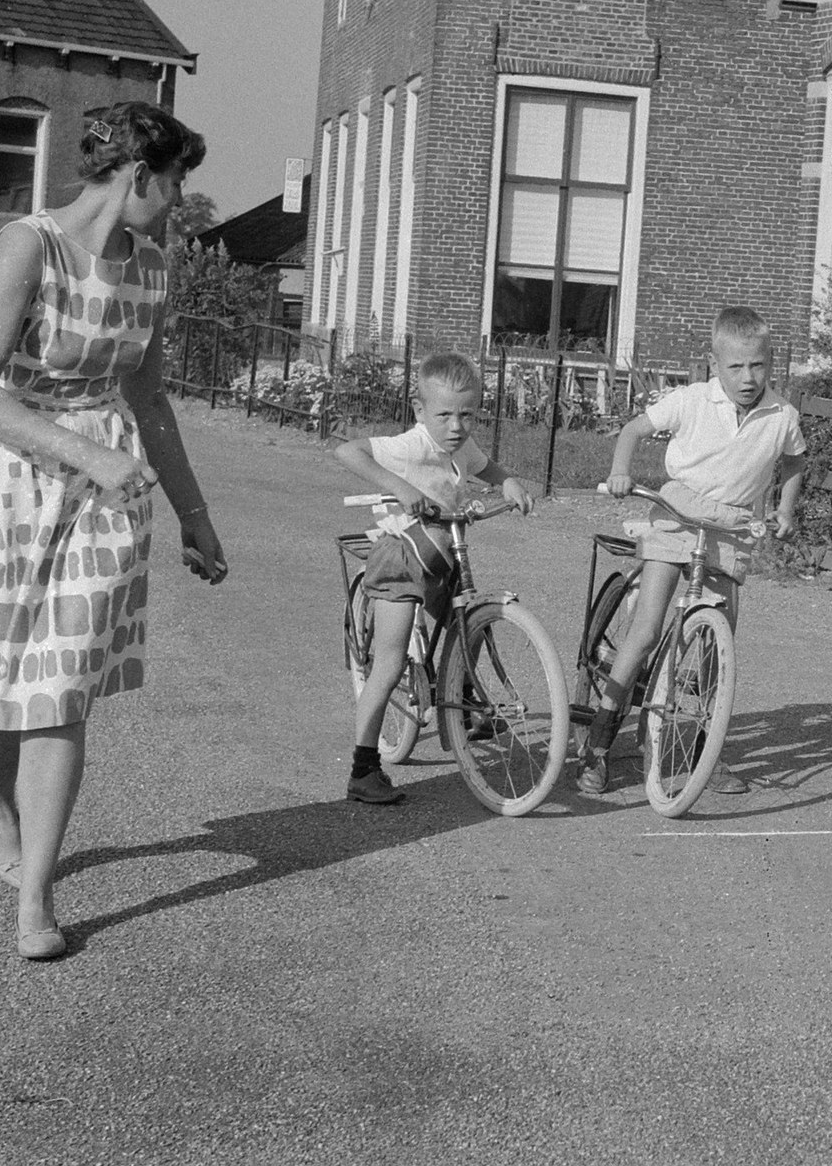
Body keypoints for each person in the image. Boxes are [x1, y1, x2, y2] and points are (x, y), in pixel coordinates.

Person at [0, 101, 228, 963]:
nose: (182, 201)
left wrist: (194, 515)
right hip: (0, 476)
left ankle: (35, 895)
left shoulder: (151, 266)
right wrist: (82, 450)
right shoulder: (27, 246)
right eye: (178, 181)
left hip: (101, 497)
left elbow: (148, 397)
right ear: (140, 175)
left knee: (61, 686)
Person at [576, 306, 806, 796]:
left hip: (734, 522)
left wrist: (785, 508)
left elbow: (795, 460)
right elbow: (634, 430)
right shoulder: (691, 400)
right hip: (677, 510)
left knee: (717, 644)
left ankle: (706, 752)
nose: (748, 378)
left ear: (771, 364)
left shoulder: (782, 414)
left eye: (758, 366)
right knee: (646, 630)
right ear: (714, 363)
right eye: (736, 367)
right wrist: (622, 469)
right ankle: (598, 744)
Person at [333, 354, 534, 805]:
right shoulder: (412, 444)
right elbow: (347, 451)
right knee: (387, 665)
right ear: (420, 410)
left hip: (446, 550)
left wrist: (509, 482)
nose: (456, 425)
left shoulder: (461, 446)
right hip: (403, 554)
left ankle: (458, 699)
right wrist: (402, 488)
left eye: (467, 414)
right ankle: (363, 767)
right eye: (444, 414)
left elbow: (488, 468)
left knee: (472, 621)